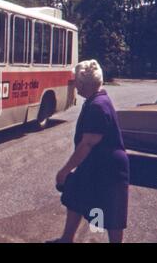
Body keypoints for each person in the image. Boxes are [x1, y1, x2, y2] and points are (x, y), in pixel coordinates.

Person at [48, 59, 130, 243]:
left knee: (112, 213)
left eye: (76, 81)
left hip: (109, 167)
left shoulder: (97, 106)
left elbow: (87, 144)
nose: (75, 85)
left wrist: (65, 170)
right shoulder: (96, 100)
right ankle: (66, 238)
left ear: (84, 84)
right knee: (75, 195)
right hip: (95, 163)